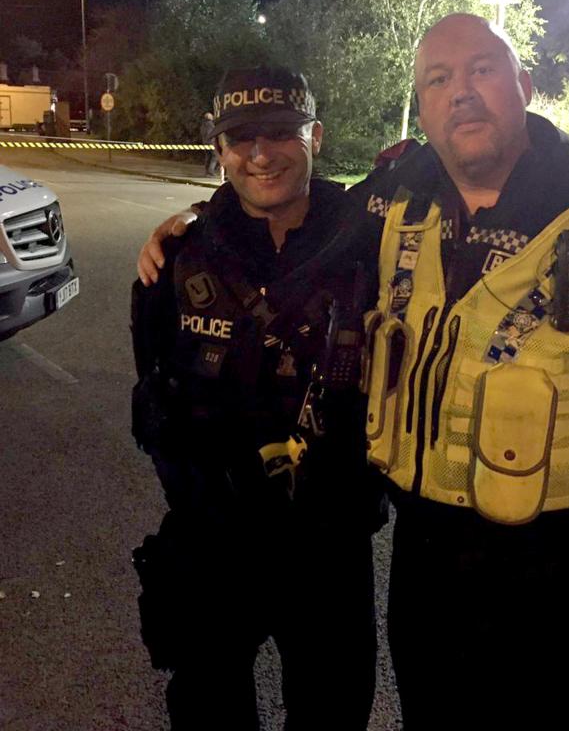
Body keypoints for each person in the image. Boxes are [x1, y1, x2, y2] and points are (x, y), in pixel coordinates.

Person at [138, 16, 569, 731]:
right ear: (423, 107)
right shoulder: (393, 205)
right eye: (438, 81)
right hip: (432, 578)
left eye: (481, 70)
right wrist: (193, 225)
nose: (461, 94)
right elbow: (284, 214)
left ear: (524, 86)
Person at [131, 66, 381, 731]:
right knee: (208, 709)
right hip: (215, 538)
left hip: (328, 542)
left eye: (280, 133)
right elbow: (155, 392)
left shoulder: (375, 238)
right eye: (240, 139)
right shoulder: (181, 255)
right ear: (218, 149)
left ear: (316, 137)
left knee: (333, 711)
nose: (259, 153)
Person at [200, 110, 219, 176]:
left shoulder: (203, 125)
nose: (213, 116)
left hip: (205, 143)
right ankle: (211, 171)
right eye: (211, 116)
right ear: (209, 117)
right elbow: (210, 133)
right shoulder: (210, 124)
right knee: (215, 157)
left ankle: (206, 171)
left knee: (208, 157)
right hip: (211, 143)